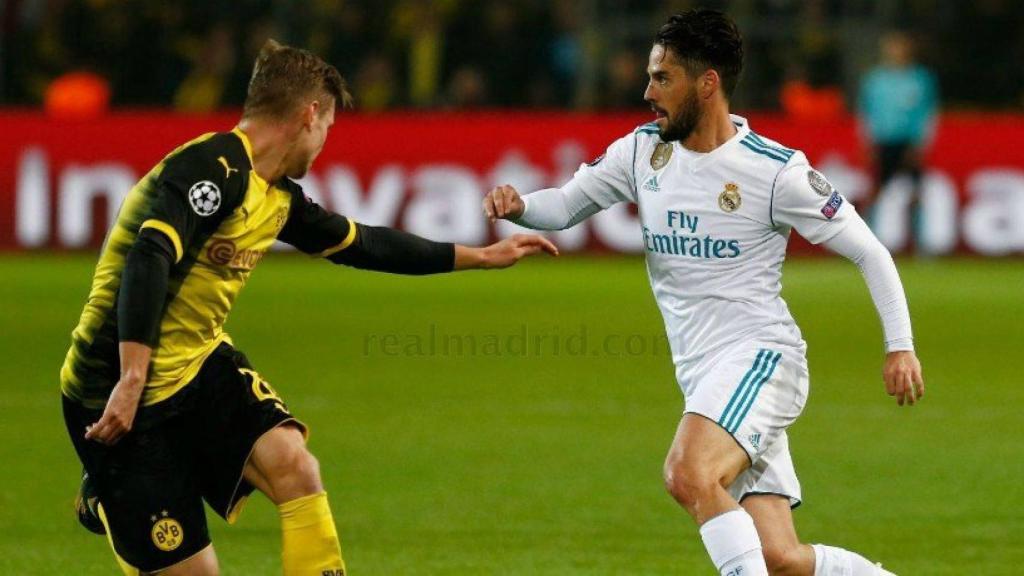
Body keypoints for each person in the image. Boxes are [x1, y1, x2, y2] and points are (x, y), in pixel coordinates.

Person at [62, 39, 557, 576]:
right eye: (328, 129)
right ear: (309, 114)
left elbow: (364, 244)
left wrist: (481, 256)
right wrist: (132, 378)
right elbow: (149, 258)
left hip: (197, 364)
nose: (324, 145)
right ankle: (108, 492)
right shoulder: (214, 166)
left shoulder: (276, 195)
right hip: (110, 383)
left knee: (294, 465)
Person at [484, 10, 923, 576]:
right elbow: (566, 205)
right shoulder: (643, 152)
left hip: (761, 358)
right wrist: (521, 205)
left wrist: (900, 344)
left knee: (688, 473)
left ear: (707, 82)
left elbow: (871, 251)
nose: (647, 92)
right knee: (779, 558)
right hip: (703, 372)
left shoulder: (774, 171)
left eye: (663, 77)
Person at [858, 32, 938, 250]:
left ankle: (920, 244)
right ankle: (863, 242)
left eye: (899, 47)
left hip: (909, 143)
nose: (895, 52)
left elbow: (928, 114)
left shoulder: (921, 79)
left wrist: (921, 143)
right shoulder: (875, 80)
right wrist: (869, 142)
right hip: (884, 142)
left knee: (915, 194)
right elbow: (866, 113)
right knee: (876, 193)